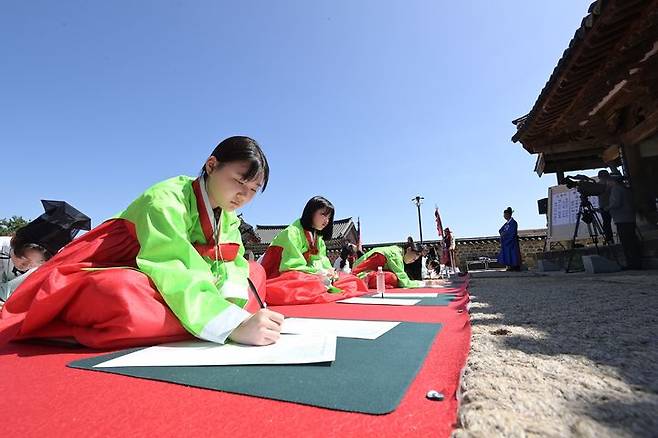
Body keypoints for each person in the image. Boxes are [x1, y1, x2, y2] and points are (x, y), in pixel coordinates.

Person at [0, 136, 283, 348]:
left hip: (187, 284)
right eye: (238, 181)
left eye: (253, 190)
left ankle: (202, 319)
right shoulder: (165, 199)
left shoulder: (229, 217)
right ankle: (207, 320)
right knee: (121, 293)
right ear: (211, 165)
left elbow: (230, 264)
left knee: (253, 273)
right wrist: (234, 323)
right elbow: (171, 264)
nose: (243, 195)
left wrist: (230, 307)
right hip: (130, 267)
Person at [260, 196, 368, 304]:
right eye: (323, 215)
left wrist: (329, 272)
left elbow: (322, 261)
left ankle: (322, 284)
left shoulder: (318, 238)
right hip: (284, 274)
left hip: (310, 274)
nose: (327, 221)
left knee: (350, 280)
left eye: (329, 217)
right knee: (312, 284)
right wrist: (318, 273)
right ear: (311, 212)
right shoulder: (291, 233)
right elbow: (291, 266)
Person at [1, 201, 90, 303]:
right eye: (23, 259)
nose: (25, 266)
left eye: (35, 263)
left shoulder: (42, 271)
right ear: (15, 243)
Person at [352, 241, 425, 288]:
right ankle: (362, 278)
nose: (413, 261)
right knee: (392, 277)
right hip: (358, 272)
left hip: (360, 270)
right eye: (413, 259)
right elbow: (404, 282)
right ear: (409, 249)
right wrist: (419, 283)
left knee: (392, 277)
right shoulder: (396, 255)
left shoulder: (397, 251)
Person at [606, 175, 642, 270]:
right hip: (630, 217)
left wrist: (607, 208)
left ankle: (631, 263)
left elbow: (616, 203)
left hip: (621, 218)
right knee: (632, 240)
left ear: (613, 182)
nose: (608, 183)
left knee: (626, 242)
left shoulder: (616, 189)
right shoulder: (626, 189)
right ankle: (637, 262)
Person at [497, 207, 521, 271]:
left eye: (505, 215)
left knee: (513, 254)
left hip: (512, 241)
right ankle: (509, 266)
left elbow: (512, 232)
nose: (504, 216)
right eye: (504, 215)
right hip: (506, 241)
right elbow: (500, 230)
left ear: (508, 215)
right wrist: (503, 234)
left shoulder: (513, 223)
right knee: (508, 254)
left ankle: (515, 266)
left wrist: (505, 234)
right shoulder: (506, 224)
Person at [597, 170, 615, 244]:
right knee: (608, 223)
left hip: (606, 206)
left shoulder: (598, 185)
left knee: (606, 224)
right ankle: (609, 238)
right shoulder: (612, 184)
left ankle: (609, 239)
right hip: (610, 205)